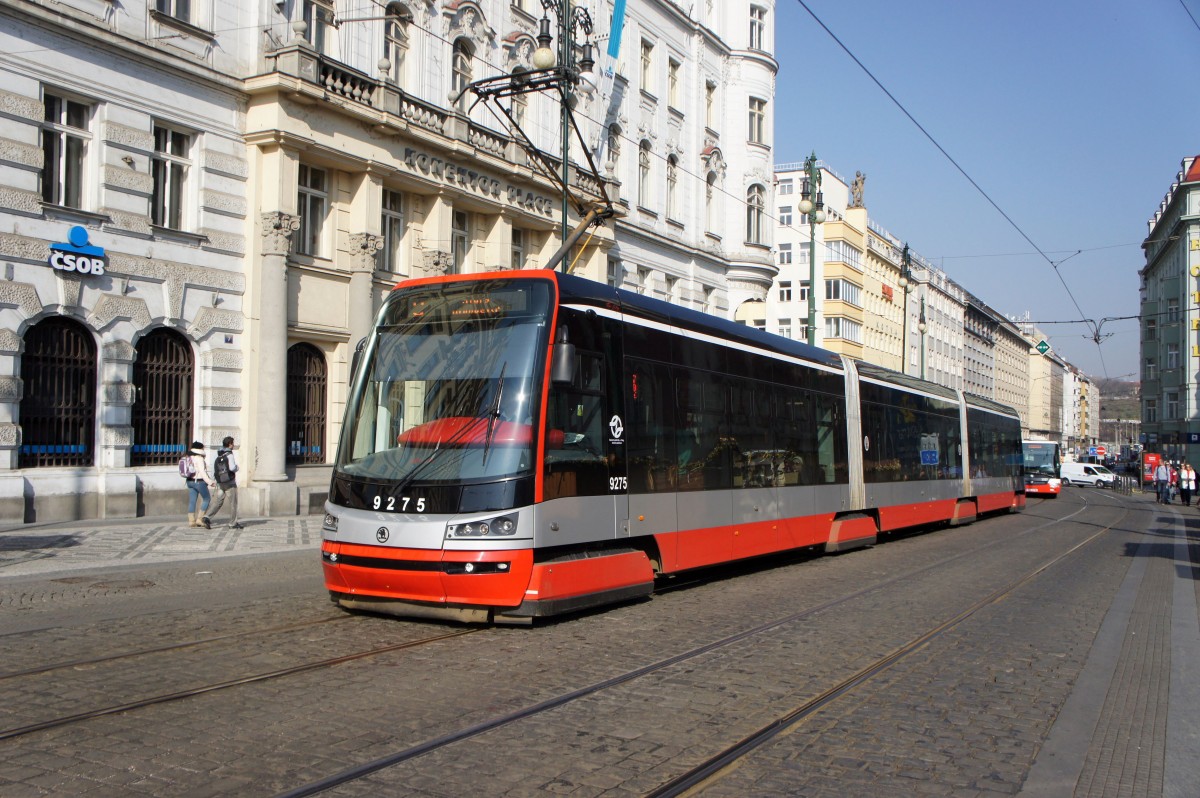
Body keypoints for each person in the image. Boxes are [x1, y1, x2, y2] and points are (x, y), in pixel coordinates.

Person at [203, 436, 242, 530]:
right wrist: (237, 467)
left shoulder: (219, 454)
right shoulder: (229, 455)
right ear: (229, 444)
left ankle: (207, 517)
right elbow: (232, 468)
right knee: (233, 503)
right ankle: (233, 523)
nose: (233, 445)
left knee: (218, 501)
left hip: (221, 482)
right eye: (232, 443)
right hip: (230, 482)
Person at [185, 441, 216, 528]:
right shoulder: (199, 458)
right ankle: (200, 519)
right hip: (199, 482)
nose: (203, 449)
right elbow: (202, 472)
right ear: (200, 448)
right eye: (203, 448)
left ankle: (191, 521)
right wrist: (210, 482)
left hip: (189, 481)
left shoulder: (188, 457)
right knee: (207, 499)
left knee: (192, 501)